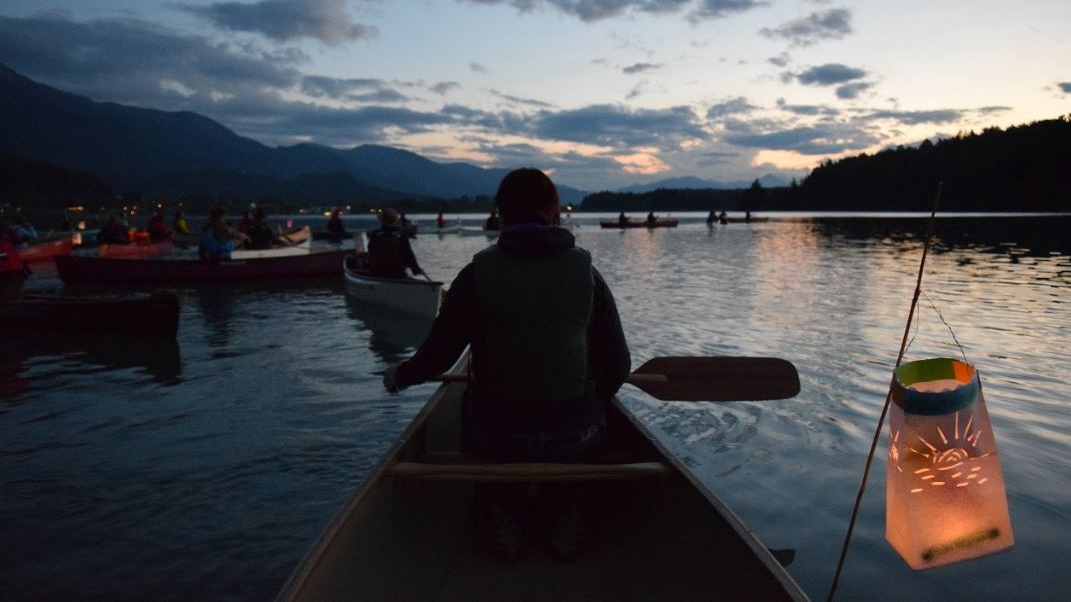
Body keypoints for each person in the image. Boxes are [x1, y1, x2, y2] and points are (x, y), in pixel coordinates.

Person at [382, 168, 631, 561]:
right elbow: (618, 369)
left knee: (475, 407)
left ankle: (499, 498)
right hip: (577, 436)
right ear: (553, 210)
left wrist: (398, 376)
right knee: (589, 415)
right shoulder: (588, 275)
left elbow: (437, 358)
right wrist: (588, 390)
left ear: (500, 213)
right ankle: (568, 497)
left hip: (496, 436)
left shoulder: (475, 275)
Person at [367, 208, 423, 278]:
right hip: (398, 272)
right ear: (395, 221)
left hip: (378, 271)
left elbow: (371, 250)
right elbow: (409, 255)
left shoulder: (375, 235)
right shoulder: (401, 236)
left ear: (381, 221)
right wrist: (416, 269)